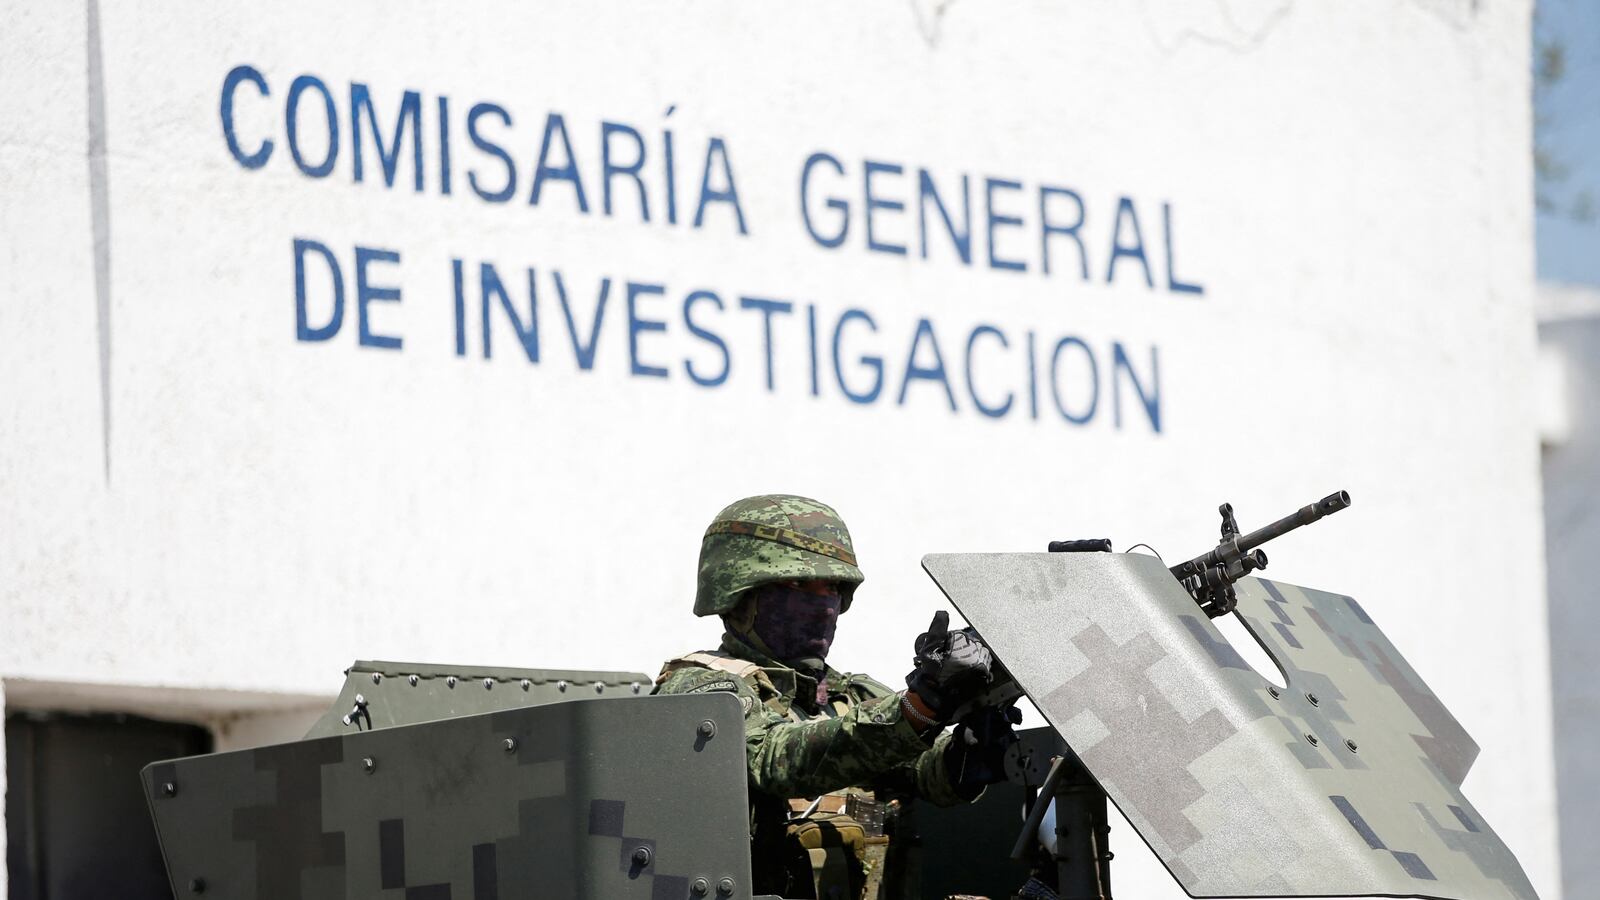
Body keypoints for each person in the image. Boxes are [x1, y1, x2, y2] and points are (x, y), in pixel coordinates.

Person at [653, 494, 1012, 900]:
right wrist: (919, 706)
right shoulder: (699, 688)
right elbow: (774, 760)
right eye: (800, 585)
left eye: (833, 589)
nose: (823, 605)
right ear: (739, 595)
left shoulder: (847, 693)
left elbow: (925, 776)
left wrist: (968, 746)